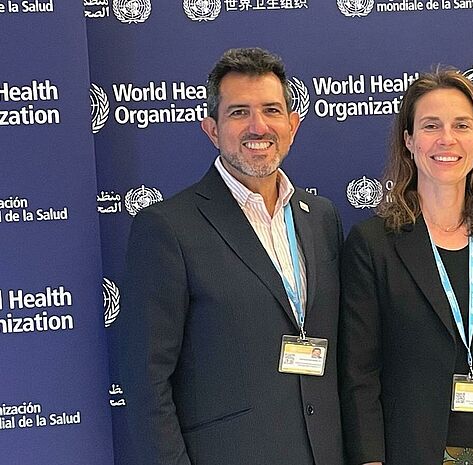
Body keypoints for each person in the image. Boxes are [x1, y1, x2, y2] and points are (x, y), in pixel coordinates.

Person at [114, 47, 345, 465]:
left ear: (292, 125)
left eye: (272, 110)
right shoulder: (167, 228)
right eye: (239, 112)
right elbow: (146, 381)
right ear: (212, 130)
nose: (258, 126)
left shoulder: (322, 218)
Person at [339, 69, 473, 465]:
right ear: (409, 141)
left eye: (461, 125)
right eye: (431, 126)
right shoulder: (373, 244)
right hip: (415, 450)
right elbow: (359, 373)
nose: (447, 139)